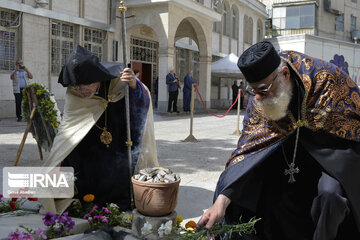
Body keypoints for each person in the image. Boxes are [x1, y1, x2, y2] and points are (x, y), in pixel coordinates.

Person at [198, 41, 360, 239]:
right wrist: (222, 201)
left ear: (284, 74)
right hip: (282, 161)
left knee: (330, 196)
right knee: (260, 192)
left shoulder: (326, 80)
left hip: (328, 160)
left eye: (264, 89)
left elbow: (352, 129)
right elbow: (248, 151)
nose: (258, 98)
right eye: (253, 91)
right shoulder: (259, 99)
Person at [40, 45, 158, 214]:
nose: (81, 90)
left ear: (98, 78)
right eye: (77, 85)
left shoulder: (119, 83)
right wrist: (57, 160)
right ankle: (86, 205)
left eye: (85, 85)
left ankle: (117, 205)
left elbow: (142, 104)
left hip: (117, 135)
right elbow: (67, 127)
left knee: (117, 167)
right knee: (82, 166)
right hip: (88, 142)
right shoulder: (75, 94)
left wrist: (133, 86)